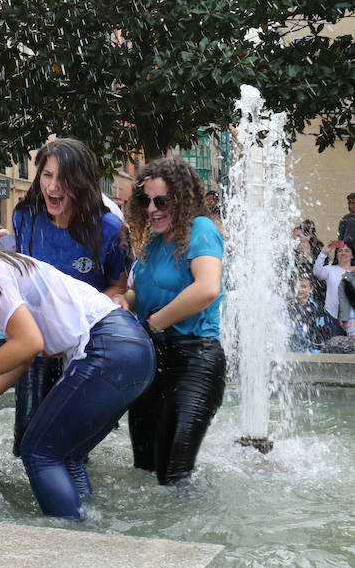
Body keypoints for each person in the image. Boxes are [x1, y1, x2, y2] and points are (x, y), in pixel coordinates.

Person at [0, 219, 155, 519]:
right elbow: (22, 356)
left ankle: (74, 543)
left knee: (38, 452)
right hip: (132, 349)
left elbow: (29, 343)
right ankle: (90, 533)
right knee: (67, 457)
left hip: (108, 347)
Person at [11, 138, 132, 456]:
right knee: (26, 435)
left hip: (82, 346)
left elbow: (118, 287)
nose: (53, 186)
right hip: (37, 343)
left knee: (70, 441)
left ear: (83, 182)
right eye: (47, 175)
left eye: (63, 179)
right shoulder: (25, 218)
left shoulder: (110, 228)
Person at [118, 156, 226, 486]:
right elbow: (142, 293)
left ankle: (201, 535)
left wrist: (153, 324)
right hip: (153, 362)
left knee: (175, 474)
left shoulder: (201, 229)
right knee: (145, 470)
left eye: (161, 201)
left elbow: (207, 288)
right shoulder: (152, 241)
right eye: (145, 201)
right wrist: (124, 300)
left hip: (195, 360)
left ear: (181, 199)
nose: (152, 209)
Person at [285, 274, 335, 352]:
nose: (300, 290)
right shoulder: (287, 306)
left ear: (311, 289)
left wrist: (318, 350)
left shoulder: (317, 308)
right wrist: (287, 347)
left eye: (304, 287)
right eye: (297, 286)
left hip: (311, 349)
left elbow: (321, 332)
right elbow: (284, 329)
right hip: (292, 349)